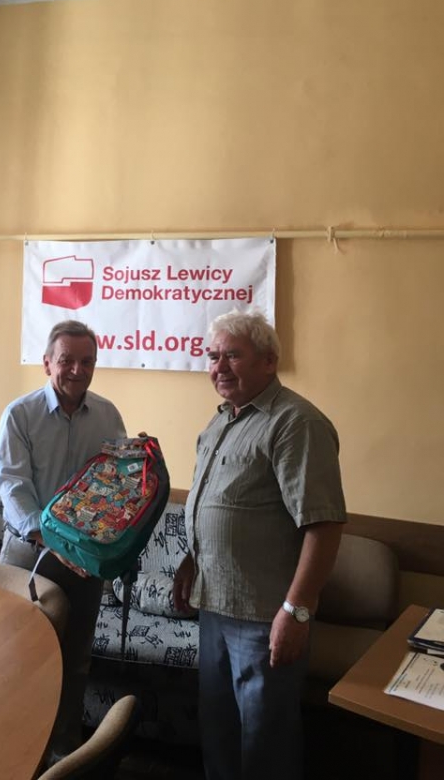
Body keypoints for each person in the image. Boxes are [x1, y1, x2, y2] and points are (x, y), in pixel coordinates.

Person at [173, 310, 346, 780]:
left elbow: (324, 525)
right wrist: (191, 561)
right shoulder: (220, 423)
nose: (218, 366)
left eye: (232, 355)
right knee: (220, 733)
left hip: (264, 617)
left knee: (264, 743)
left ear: (269, 361)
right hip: (213, 604)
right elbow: (217, 508)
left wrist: (297, 611)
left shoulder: (295, 423)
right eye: (212, 356)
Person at [0, 319, 126, 762]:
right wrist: (50, 538)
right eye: (67, 360)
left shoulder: (108, 416)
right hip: (29, 554)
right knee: (19, 656)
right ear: (47, 363)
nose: (77, 370)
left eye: (87, 361)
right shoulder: (20, 415)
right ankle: (11, 750)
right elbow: (13, 486)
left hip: (84, 562)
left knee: (75, 660)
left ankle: (63, 752)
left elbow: (115, 484)